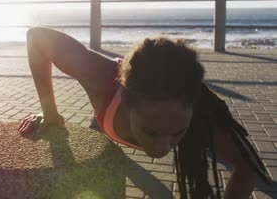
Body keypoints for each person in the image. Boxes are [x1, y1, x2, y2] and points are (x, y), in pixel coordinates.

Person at [18, 26, 272, 199]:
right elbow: (36, 37)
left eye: (178, 133)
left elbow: (248, 167)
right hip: (111, 103)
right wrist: (50, 111)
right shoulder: (100, 78)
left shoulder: (200, 113)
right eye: (151, 131)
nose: (163, 148)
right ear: (126, 101)